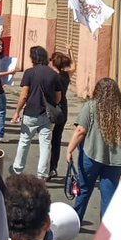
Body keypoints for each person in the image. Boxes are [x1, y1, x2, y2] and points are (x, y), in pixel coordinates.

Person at [66, 77, 121, 220]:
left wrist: (69, 149)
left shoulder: (91, 106)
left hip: (92, 155)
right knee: (109, 194)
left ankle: (76, 220)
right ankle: (106, 227)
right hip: (116, 159)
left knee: (84, 189)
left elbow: (80, 131)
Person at [11, 46, 62, 180]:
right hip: (47, 114)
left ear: (33, 57)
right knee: (45, 144)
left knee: (24, 141)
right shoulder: (53, 74)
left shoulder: (29, 72)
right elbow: (58, 98)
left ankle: (18, 169)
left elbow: (24, 95)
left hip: (30, 112)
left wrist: (17, 112)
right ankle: (42, 174)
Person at [48, 47, 76, 177]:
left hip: (51, 107)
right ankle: (53, 167)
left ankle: (44, 166)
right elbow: (74, 66)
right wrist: (70, 50)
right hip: (63, 108)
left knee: (46, 138)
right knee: (57, 138)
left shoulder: (51, 76)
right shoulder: (66, 75)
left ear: (53, 62)